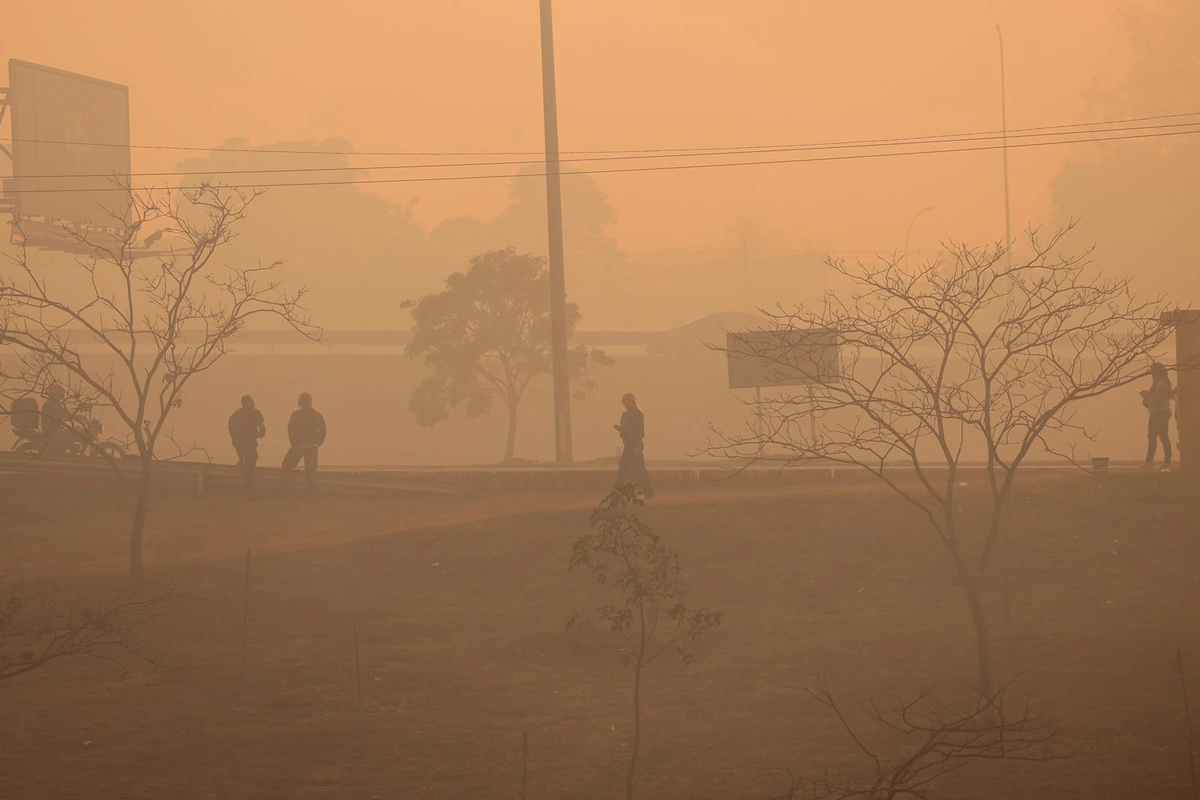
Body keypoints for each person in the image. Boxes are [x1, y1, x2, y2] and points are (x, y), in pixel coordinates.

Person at [281, 392, 326, 492]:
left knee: (287, 465)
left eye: (300, 399)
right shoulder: (317, 415)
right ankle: (309, 494)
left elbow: (290, 429)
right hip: (310, 446)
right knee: (310, 472)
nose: (298, 401)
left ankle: (285, 489)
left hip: (300, 446)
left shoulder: (297, 414)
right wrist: (317, 443)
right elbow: (323, 431)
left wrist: (294, 442)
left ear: (305, 401)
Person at [613, 392, 654, 499]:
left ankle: (648, 493)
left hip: (635, 444)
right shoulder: (625, 414)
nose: (624, 402)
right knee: (624, 468)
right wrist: (620, 429)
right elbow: (627, 430)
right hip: (628, 444)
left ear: (632, 401)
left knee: (638, 469)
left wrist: (637, 445)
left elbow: (639, 431)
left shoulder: (638, 414)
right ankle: (617, 493)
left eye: (626, 400)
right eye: (623, 400)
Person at [228, 395, 267, 500]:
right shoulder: (255, 413)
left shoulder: (235, 415)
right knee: (250, 466)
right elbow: (262, 428)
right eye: (253, 402)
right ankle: (249, 492)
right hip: (250, 443)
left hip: (239, 444)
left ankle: (241, 460)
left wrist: (235, 440)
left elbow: (230, 427)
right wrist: (259, 434)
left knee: (246, 462)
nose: (254, 404)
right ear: (249, 403)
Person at [1140, 362, 1176, 468]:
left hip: (1159, 413)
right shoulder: (1161, 382)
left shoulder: (1161, 383)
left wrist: (1146, 396)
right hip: (1159, 412)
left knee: (1156, 436)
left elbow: (1158, 399)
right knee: (1160, 436)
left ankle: (1152, 461)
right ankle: (1164, 461)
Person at [40, 384, 75, 456]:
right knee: (69, 441)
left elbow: (62, 413)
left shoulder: (53, 403)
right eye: (61, 392)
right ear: (55, 393)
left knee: (69, 434)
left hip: (55, 428)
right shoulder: (51, 404)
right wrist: (76, 417)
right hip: (52, 430)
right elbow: (62, 413)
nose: (62, 395)